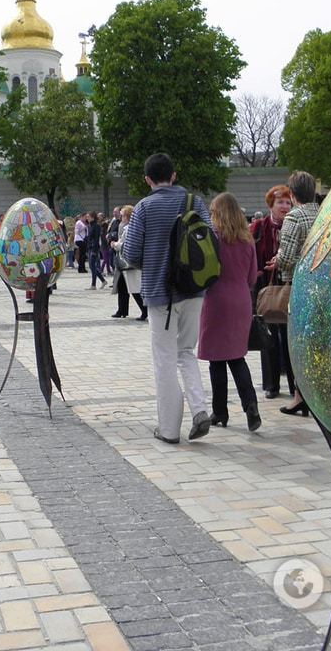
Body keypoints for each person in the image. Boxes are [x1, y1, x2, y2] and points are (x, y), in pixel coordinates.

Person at [122, 153, 213, 444]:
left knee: (164, 359)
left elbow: (131, 253)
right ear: (173, 175)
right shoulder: (194, 202)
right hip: (194, 289)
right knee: (186, 351)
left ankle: (169, 429)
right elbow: (210, 240)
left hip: (161, 294)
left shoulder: (144, 207)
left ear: (148, 179)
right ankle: (199, 409)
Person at [198, 193, 260, 432]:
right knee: (237, 357)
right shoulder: (247, 239)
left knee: (216, 361)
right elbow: (252, 276)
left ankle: (220, 412)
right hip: (241, 300)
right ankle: (251, 405)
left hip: (216, 301)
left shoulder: (213, 239)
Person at [269, 171, 320, 417]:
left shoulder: (294, 217)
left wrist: (276, 260)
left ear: (292, 194)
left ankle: (300, 396)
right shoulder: (324, 213)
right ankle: (312, 396)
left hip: (298, 286)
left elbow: (287, 258)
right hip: (322, 284)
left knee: (297, 343)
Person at [250, 185, 295, 400]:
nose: (285, 207)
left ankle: (295, 385)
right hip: (265, 287)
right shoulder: (259, 227)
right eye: (280, 202)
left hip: (288, 285)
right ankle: (271, 384)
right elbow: (251, 252)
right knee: (268, 334)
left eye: (287, 202)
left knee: (289, 335)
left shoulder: (294, 225)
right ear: (271, 204)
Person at [111, 205, 147, 320]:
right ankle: (122, 310)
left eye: (122, 215)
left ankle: (145, 310)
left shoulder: (130, 229)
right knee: (122, 287)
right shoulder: (128, 227)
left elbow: (127, 245)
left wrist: (115, 245)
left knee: (135, 288)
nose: (121, 218)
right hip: (124, 263)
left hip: (129, 263)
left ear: (127, 216)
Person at [86, 213, 106, 289]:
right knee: (92, 267)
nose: (87, 218)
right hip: (90, 248)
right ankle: (103, 281)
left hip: (94, 248)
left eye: (88, 217)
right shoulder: (89, 226)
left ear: (93, 217)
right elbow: (89, 238)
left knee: (92, 266)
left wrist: (94, 250)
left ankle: (93, 285)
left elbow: (96, 239)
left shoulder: (96, 226)